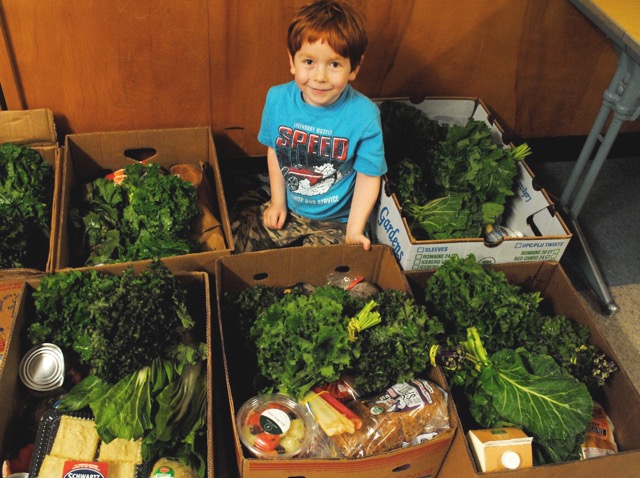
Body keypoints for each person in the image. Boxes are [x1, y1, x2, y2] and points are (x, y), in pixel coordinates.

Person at [231, 0, 387, 253]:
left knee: (326, 274)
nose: (320, 77)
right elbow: (275, 151)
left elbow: (369, 176)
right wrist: (277, 201)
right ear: (293, 61)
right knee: (239, 243)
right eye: (309, 62)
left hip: (337, 221)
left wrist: (355, 229)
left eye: (334, 64)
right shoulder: (277, 99)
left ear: (354, 68)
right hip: (291, 208)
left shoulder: (365, 115)